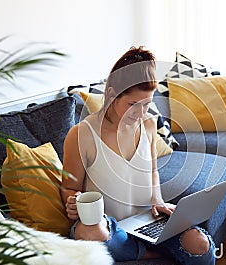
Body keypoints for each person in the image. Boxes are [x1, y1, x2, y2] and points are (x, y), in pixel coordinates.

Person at [61, 46, 216, 264]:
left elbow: (152, 170)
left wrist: (159, 200)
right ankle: (152, 252)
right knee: (89, 233)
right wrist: (72, 201)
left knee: (200, 244)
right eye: (133, 104)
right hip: (109, 228)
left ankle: (143, 249)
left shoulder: (150, 125)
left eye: (147, 104)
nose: (141, 112)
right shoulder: (81, 134)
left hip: (149, 221)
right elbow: (69, 187)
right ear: (112, 94)